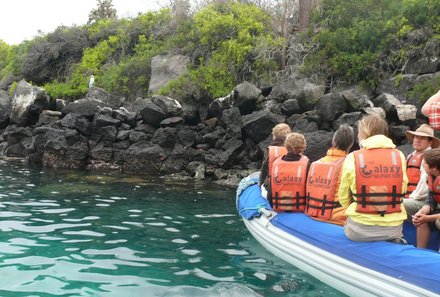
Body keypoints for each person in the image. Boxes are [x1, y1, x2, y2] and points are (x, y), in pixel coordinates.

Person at [338, 115, 408, 242]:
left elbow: (343, 197)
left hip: (359, 230)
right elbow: (402, 188)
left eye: (359, 132)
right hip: (393, 229)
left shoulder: (353, 157)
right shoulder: (399, 156)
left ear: (364, 133)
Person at [305, 124, 355, 225]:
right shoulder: (350, 166)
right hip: (338, 220)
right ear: (351, 144)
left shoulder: (315, 164)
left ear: (333, 141)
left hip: (312, 215)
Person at [403, 124, 440, 220]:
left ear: (430, 142)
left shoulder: (428, 159)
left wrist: (409, 198)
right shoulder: (410, 156)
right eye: (416, 136)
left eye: (422, 138)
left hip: (422, 200)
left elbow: (424, 186)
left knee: (395, 205)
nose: (417, 140)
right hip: (411, 197)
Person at [269, 132, 309, 212]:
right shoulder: (308, 164)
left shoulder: (276, 164)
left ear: (286, 146)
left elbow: (270, 193)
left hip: (279, 209)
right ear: (303, 146)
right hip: (300, 209)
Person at [411, 148, 440, 250]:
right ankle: (420, 251)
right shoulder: (432, 177)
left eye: (425, 163)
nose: (422, 164)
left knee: (437, 221)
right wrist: (421, 213)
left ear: (434, 167)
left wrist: (428, 218)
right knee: (421, 220)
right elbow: (431, 200)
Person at [259, 123, 291, 188]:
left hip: (272, 186)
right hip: (290, 183)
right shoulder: (293, 149)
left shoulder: (271, 150)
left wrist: (260, 183)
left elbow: (264, 168)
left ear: (274, 136)